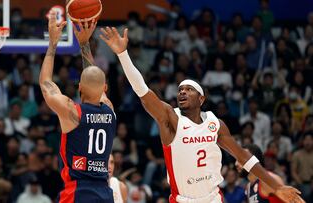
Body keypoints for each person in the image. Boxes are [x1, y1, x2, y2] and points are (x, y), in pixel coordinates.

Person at [99, 27, 304, 203]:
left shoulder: (216, 123)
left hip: (213, 197)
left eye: (189, 89)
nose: (182, 92)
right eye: (180, 89)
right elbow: (142, 91)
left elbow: (243, 156)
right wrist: (123, 55)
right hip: (183, 199)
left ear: (201, 99)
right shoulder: (171, 118)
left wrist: (276, 187)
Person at [39, 11, 116, 203]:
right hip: (105, 194)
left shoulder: (72, 112)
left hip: (78, 192)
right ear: (105, 89)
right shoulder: (110, 109)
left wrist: (52, 44)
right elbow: (94, 77)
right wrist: (84, 44)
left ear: (79, 87)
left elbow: (45, 84)